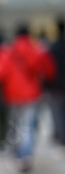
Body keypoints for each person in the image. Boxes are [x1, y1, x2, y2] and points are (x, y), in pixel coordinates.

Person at [0, 26, 56, 172]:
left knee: (15, 125)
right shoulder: (37, 49)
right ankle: (25, 156)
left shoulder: (6, 51)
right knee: (28, 125)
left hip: (12, 95)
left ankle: (18, 154)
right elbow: (49, 70)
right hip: (32, 95)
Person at [48, 20, 65, 149]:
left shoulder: (52, 48)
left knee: (58, 114)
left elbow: (48, 69)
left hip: (56, 87)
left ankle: (61, 138)